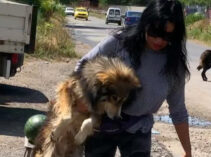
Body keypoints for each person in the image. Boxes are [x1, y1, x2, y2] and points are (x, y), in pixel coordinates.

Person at [74, 0, 192, 156]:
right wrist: (83, 100)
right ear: (145, 24)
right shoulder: (119, 43)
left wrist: (187, 151)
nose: (158, 41)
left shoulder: (174, 66)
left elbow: (178, 110)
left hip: (138, 129)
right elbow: (82, 67)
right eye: (154, 33)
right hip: (101, 124)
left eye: (166, 37)